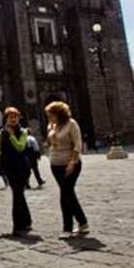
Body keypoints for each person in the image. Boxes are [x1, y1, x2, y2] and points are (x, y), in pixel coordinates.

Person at [45, 101, 89, 238]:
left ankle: (67, 228)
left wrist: (72, 163)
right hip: (55, 164)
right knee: (68, 194)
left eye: (51, 115)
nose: (49, 117)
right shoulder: (52, 125)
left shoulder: (72, 124)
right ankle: (83, 223)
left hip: (70, 164)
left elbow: (77, 145)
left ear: (60, 114)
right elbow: (51, 143)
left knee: (65, 194)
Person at [0, 107, 32, 236]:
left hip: (21, 167)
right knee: (18, 193)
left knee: (17, 194)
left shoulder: (23, 132)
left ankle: (18, 225)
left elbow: (20, 147)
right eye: (10, 117)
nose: (13, 119)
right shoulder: (2, 132)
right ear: (6, 118)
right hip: (9, 168)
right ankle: (26, 222)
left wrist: (11, 136)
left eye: (15, 116)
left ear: (19, 118)